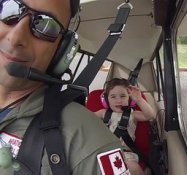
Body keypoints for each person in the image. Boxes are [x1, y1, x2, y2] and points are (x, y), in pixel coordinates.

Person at [0, 0, 128, 174]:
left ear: (63, 50)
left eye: (46, 24)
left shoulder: (88, 141)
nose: (15, 38)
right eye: (8, 9)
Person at [94, 78, 155, 175]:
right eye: (113, 97)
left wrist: (139, 100)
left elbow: (150, 115)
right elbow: (86, 118)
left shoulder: (133, 114)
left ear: (130, 99)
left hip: (125, 152)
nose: (118, 100)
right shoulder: (103, 113)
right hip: (104, 151)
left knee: (133, 167)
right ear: (106, 100)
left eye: (123, 96)